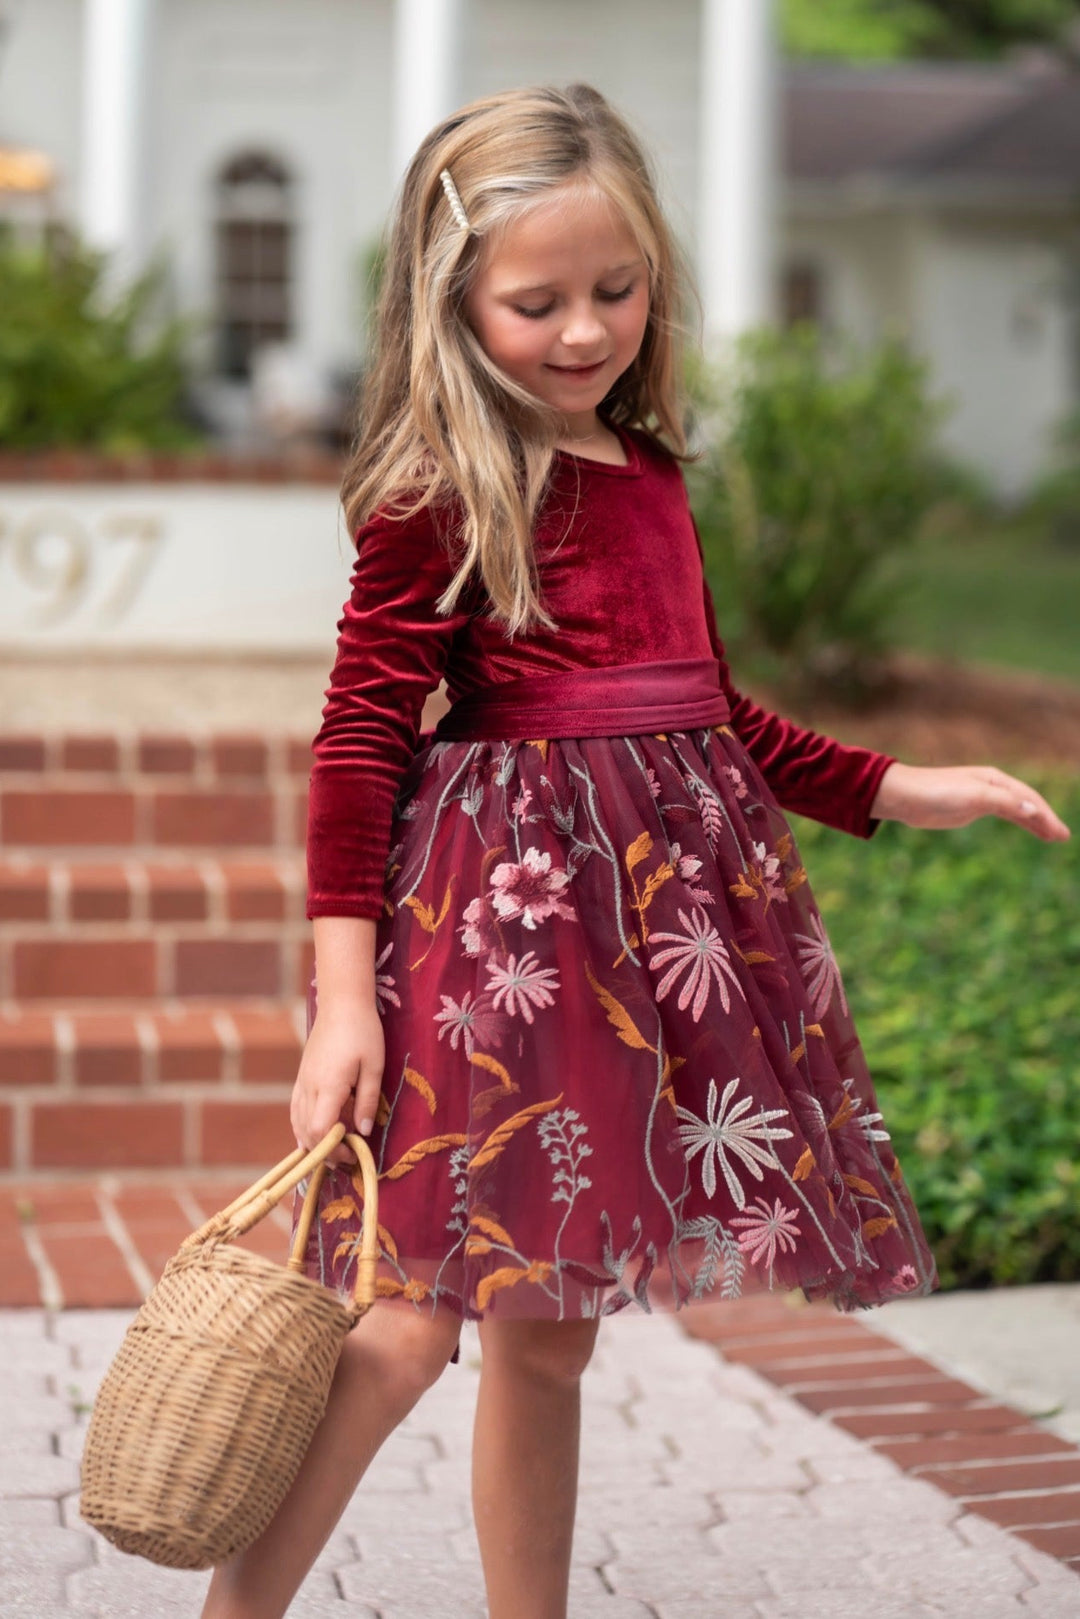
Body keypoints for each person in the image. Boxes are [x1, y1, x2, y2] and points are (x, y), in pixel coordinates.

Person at [200, 82, 1070, 1619]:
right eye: (537, 303)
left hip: (649, 940)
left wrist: (898, 786)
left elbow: (705, 710)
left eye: (617, 289)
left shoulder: (652, 472)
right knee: (406, 1326)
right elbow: (358, 743)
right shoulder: (442, 490)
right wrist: (343, 996)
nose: (585, 329)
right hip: (505, 940)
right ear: (453, 298)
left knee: (550, 1332)